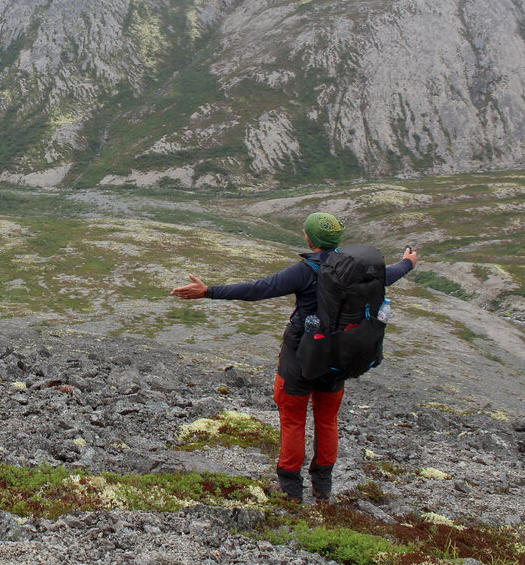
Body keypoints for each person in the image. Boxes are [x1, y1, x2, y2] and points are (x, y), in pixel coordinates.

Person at [170, 212, 418, 503]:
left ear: (309, 238)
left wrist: (209, 292)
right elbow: (390, 273)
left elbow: (258, 289)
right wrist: (408, 263)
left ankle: (290, 492)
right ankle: (323, 489)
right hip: (339, 355)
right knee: (327, 421)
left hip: (301, 354)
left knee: (293, 420)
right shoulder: (359, 270)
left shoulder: (304, 271)